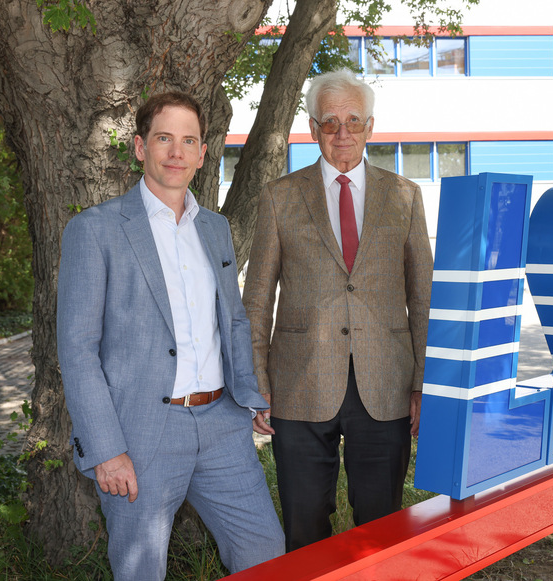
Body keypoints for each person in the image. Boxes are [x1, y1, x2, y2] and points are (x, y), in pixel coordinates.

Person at [57, 91, 284, 580]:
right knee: (141, 572)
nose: (176, 152)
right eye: (164, 138)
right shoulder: (94, 230)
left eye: (189, 141)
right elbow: (77, 350)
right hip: (140, 435)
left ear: (204, 154)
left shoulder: (216, 229)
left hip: (223, 424)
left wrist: (251, 392)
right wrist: (106, 449)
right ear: (141, 148)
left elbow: (233, 320)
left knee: (266, 553)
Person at [242, 69, 433, 552]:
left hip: (385, 385)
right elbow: (258, 299)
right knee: (304, 529)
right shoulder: (279, 198)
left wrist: (421, 383)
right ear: (312, 128)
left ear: (370, 126)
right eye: (330, 122)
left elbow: (423, 296)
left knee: (381, 526)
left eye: (353, 121)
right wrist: (256, 384)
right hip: (299, 387)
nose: (342, 133)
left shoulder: (405, 196)